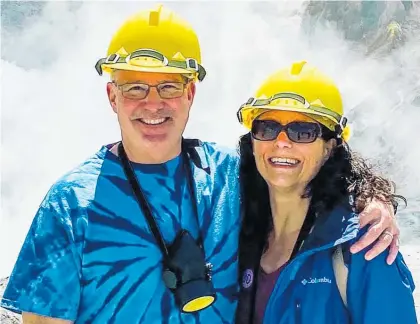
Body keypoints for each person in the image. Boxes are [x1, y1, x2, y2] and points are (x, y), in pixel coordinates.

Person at [1, 5, 402, 324]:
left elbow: (300, 178)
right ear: (112, 96)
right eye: (135, 87)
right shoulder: (71, 205)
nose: (152, 103)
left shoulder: (230, 175)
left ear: (190, 93)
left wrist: (372, 202)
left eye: (169, 86)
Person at [235, 61, 417, 323]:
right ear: (252, 141)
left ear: (330, 147)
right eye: (267, 128)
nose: (282, 142)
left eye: (303, 132)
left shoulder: (365, 248)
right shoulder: (233, 226)